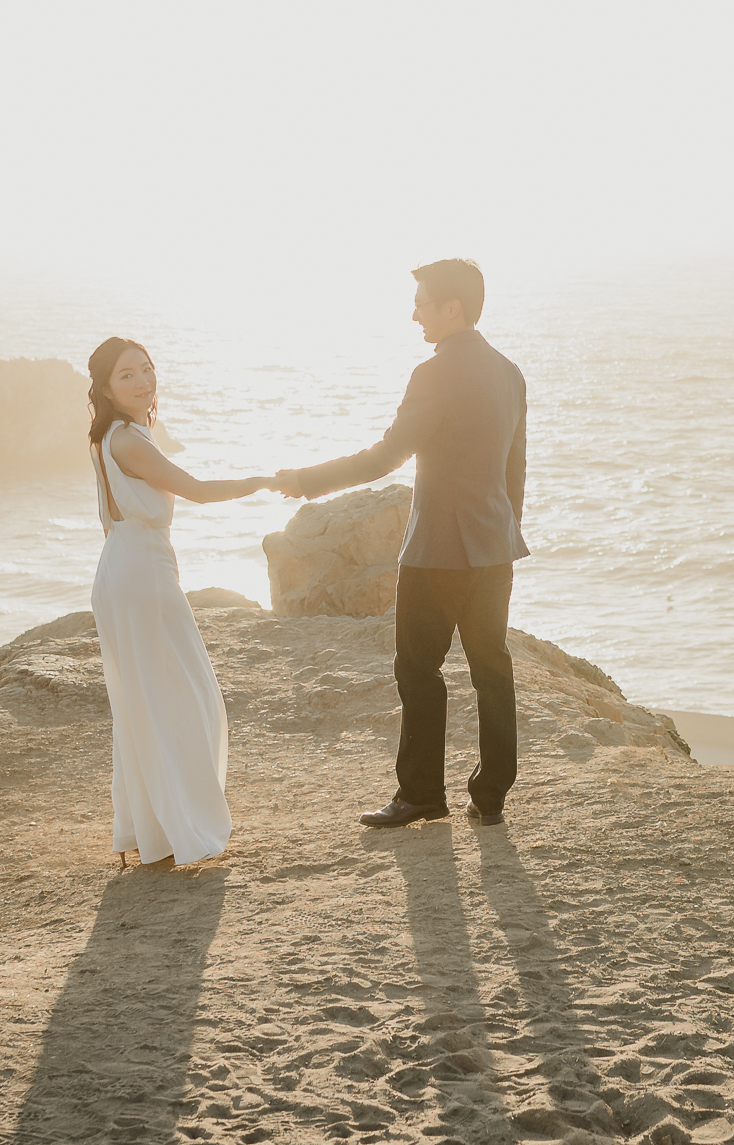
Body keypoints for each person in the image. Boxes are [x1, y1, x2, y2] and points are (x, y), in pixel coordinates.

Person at [270, 259, 528, 827]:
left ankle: (421, 795)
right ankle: (491, 799)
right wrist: (504, 530)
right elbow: (516, 470)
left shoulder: (433, 374)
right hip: (495, 548)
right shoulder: (509, 372)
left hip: (438, 549)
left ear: (451, 308)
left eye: (421, 302)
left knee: (416, 668)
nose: (414, 314)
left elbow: (386, 457)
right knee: (492, 668)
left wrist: (306, 480)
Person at [85, 336, 272, 867]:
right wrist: (262, 481)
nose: (143, 381)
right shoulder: (128, 440)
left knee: (146, 704)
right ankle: (174, 828)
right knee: (188, 701)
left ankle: (152, 830)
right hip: (142, 576)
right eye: (127, 375)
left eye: (147, 369)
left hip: (126, 569)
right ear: (104, 387)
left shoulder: (114, 434)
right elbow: (198, 490)